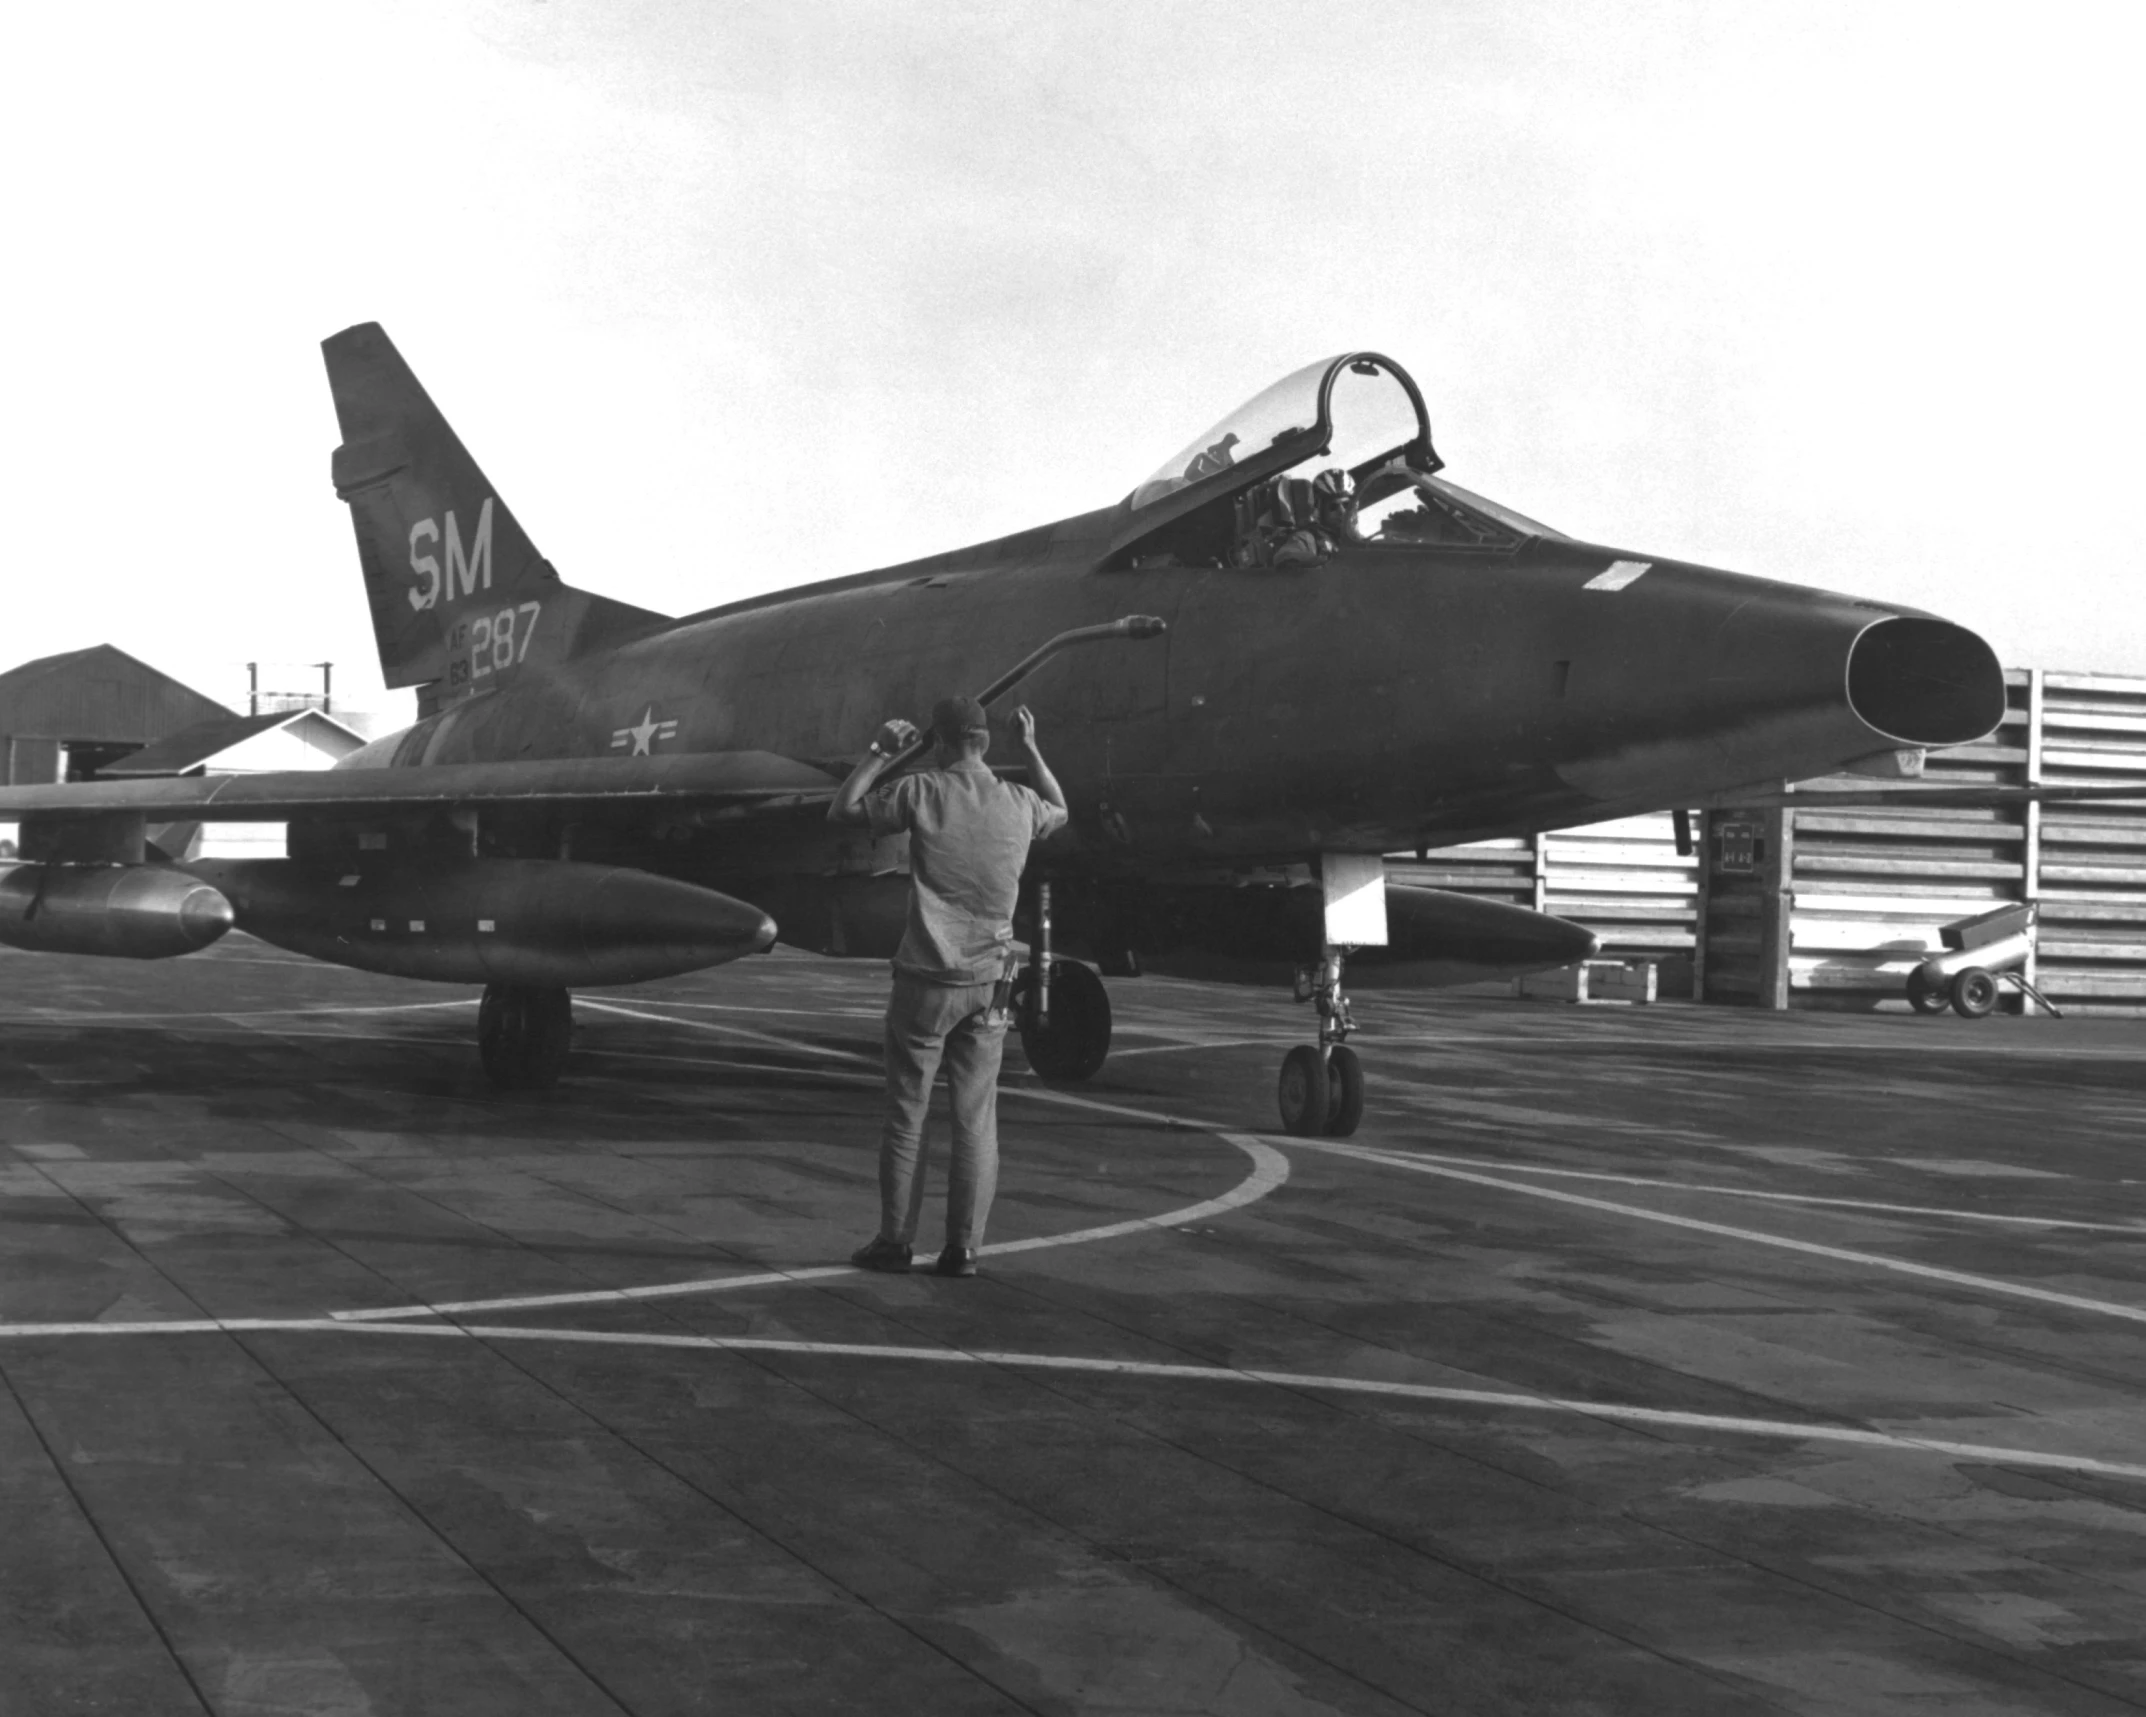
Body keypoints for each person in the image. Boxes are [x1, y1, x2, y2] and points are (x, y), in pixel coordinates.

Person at [827, 695, 1067, 1277]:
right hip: (991, 985)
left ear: (937, 742)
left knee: (908, 1114)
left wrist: (880, 750)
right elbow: (1060, 808)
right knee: (975, 1119)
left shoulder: (922, 790)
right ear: (985, 741)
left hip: (926, 982)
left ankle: (895, 1241)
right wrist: (1031, 748)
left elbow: (843, 811)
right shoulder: (1020, 801)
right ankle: (963, 1249)